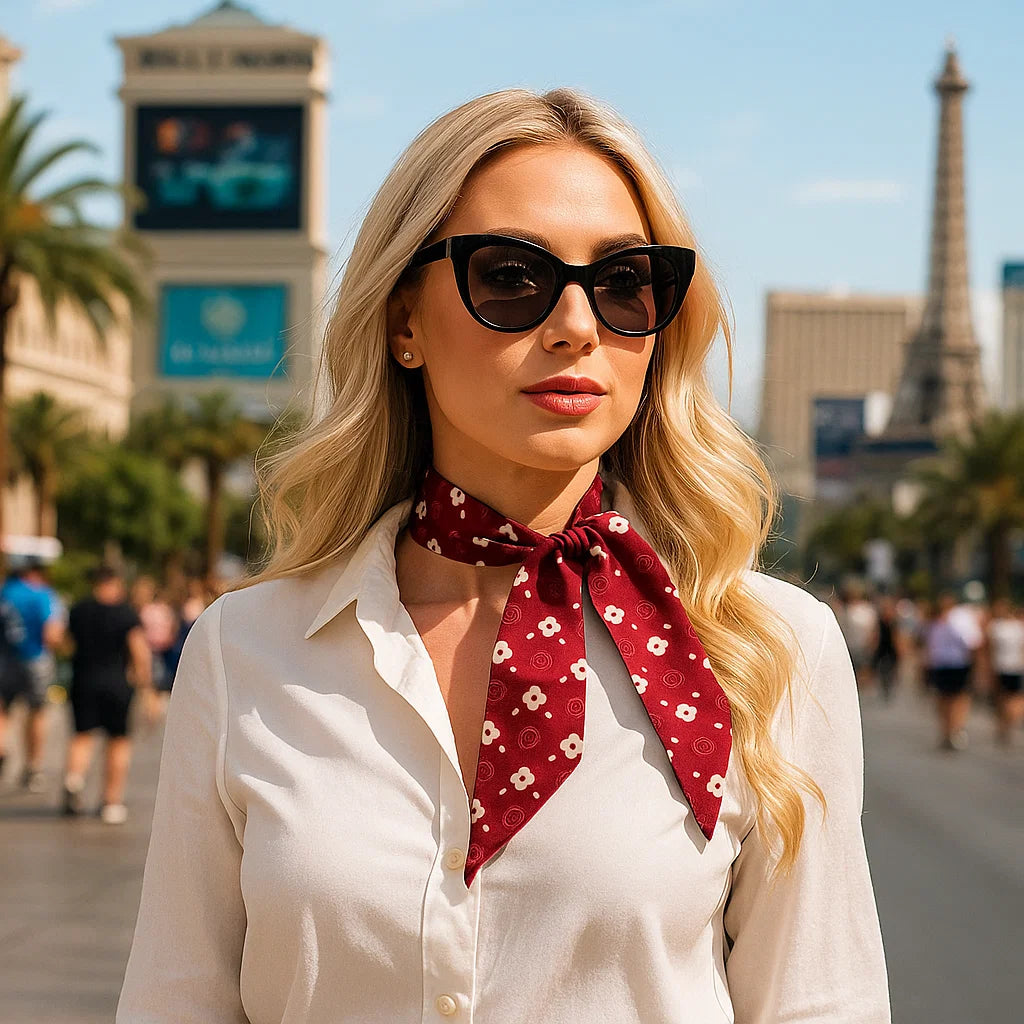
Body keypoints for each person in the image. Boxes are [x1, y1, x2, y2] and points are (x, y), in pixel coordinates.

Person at [117, 88, 891, 1022]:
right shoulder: (247, 649)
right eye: (512, 277)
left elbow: (821, 1003)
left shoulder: (772, 649)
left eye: (624, 282)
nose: (576, 325)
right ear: (404, 321)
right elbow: (176, 1001)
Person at [61, 565, 160, 824]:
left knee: (82, 735)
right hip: (117, 684)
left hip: (83, 681)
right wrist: (147, 688)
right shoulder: (125, 613)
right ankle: (111, 802)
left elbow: (64, 642)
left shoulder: (79, 610)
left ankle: (74, 778)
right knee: (118, 742)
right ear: (116, 583)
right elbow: (139, 651)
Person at [0, 556, 66, 792]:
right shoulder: (42, 594)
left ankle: (2, 750)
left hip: (5, 660)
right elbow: (52, 632)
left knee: (3, 709)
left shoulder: (4, 592)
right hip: (36, 659)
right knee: (36, 711)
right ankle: (33, 765)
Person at [923, 591, 981, 751]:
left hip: (948, 664)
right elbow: (971, 642)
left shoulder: (944, 621)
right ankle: (952, 730)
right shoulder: (948, 621)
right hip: (950, 663)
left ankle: (950, 729)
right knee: (953, 698)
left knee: (950, 698)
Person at [983, 598, 1024, 747]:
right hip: (999, 667)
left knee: (1013, 699)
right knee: (1001, 699)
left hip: (1015, 668)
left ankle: (1006, 725)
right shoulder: (995, 626)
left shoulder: (1018, 627)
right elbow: (989, 649)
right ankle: (1003, 726)